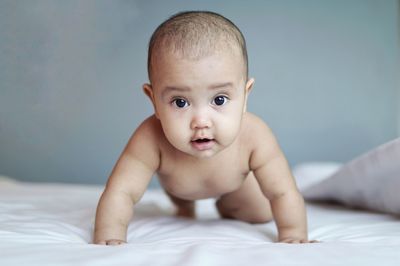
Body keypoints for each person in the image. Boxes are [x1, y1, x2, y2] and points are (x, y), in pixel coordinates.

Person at [94, 11, 314, 245]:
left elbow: (282, 192)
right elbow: (122, 192)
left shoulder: (255, 135)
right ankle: (184, 206)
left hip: (234, 184)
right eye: (180, 102)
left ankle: (228, 204)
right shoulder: (150, 137)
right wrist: (109, 237)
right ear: (154, 101)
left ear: (245, 95)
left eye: (219, 100)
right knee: (181, 200)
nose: (201, 121)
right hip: (180, 189)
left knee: (260, 213)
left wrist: (293, 234)